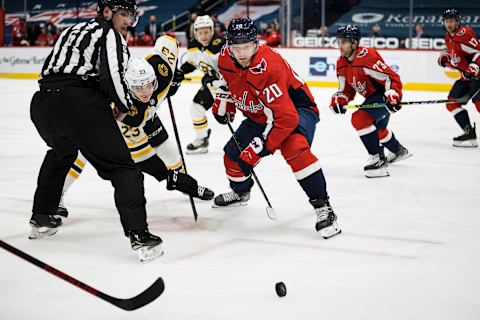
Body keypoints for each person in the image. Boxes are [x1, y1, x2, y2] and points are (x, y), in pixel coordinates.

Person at [29, 0, 163, 262]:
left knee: (61, 153)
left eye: (131, 17)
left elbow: (52, 69)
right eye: (123, 14)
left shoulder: (71, 31)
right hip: (78, 104)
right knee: (124, 168)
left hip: (43, 104)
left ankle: (42, 218)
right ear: (106, 12)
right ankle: (139, 236)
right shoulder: (110, 34)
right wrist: (123, 106)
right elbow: (112, 74)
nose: (127, 22)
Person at [211, 18, 341, 238]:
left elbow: (285, 118)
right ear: (228, 46)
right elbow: (230, 81)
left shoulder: (269, 66)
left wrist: (262, 147)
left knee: (295, 148)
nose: (242, 53)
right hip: (260, 114)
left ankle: (323, 207)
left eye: (247, 47)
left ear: (256, 43)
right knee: (232, 156)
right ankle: (241, 193)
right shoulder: (224, 58)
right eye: (236, 47)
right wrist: (226, 101)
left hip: (297, 110)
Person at [56, 36, 214, 217]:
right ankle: (56, 194)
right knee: (81, 154)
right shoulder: (119, 103)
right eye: (139, 88)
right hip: (116, 126)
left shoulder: (160, 71)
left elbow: (167, 44)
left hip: (149, 117)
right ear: (128, 87)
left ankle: (184, 184)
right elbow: (142, 156)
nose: (146, 92)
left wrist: (173, 81)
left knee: (171, 153)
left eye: (149, 85)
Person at [330, 25, 411, 178]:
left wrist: (393, 95)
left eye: (344, 42)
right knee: (378, 130)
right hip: (371, 98)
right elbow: (346, 89)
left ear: (354, 43)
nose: (340, 46)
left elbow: (390, 77)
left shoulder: (367, 57)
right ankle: (398, 150)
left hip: (385, 96)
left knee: (360, 119)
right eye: (338, 41)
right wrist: (340, 99)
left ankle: (378, 159)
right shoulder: (341, 63)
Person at [179, 15, 225, 154]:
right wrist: (179, 72)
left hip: (230, 86)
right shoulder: (194, 46)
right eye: (200, 32)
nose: (203, 36)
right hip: (213, 86)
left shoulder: (221, 44)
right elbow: (193, 63)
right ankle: (202, 138)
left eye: (206, 32)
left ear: (212, 31)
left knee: (250, 111)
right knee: (196, 108)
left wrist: (217, 77)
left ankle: (271, 133)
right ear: (195, 33)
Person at [438, 8, 480, 147]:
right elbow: (451, 52)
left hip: (477, 76)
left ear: (457, 22)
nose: (449, 24)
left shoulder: (465, 33)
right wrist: (444, 56)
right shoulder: (448, 36)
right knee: (452, 103)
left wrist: (473, 67)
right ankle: (469, 133)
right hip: (465, 77)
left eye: (451, 21)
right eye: (446, 21)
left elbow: (478, 52)